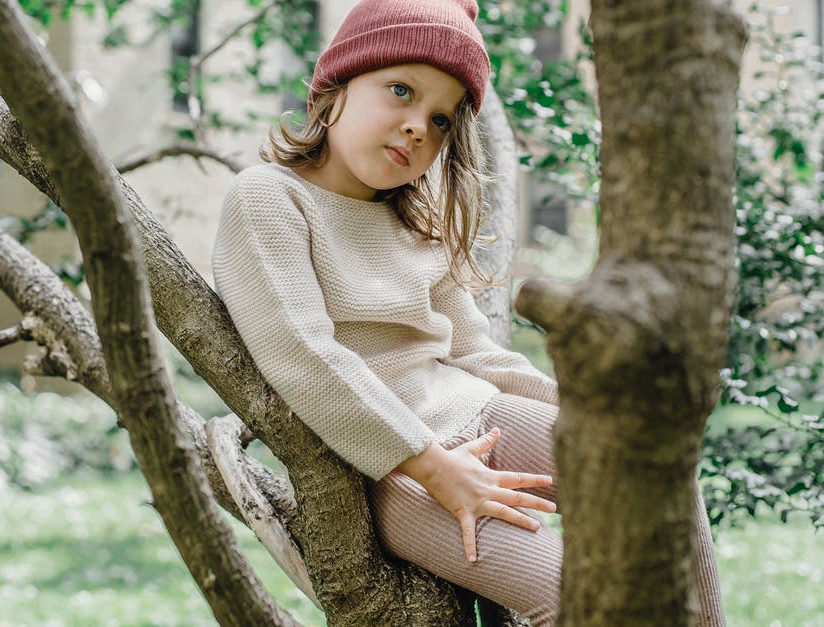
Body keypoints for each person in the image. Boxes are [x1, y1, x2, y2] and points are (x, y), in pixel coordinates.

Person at [213, 1, 723, 624]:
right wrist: (431, 465)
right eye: (399, 90)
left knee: (659, 469)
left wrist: (590, 411)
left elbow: (476, 353)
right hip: (397, 468)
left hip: (479, 414)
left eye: (441, 119)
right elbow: (303, 356)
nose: (416, 127)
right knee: (569, 599)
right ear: (335, 86)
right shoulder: (269, 199)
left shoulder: (416, 223)